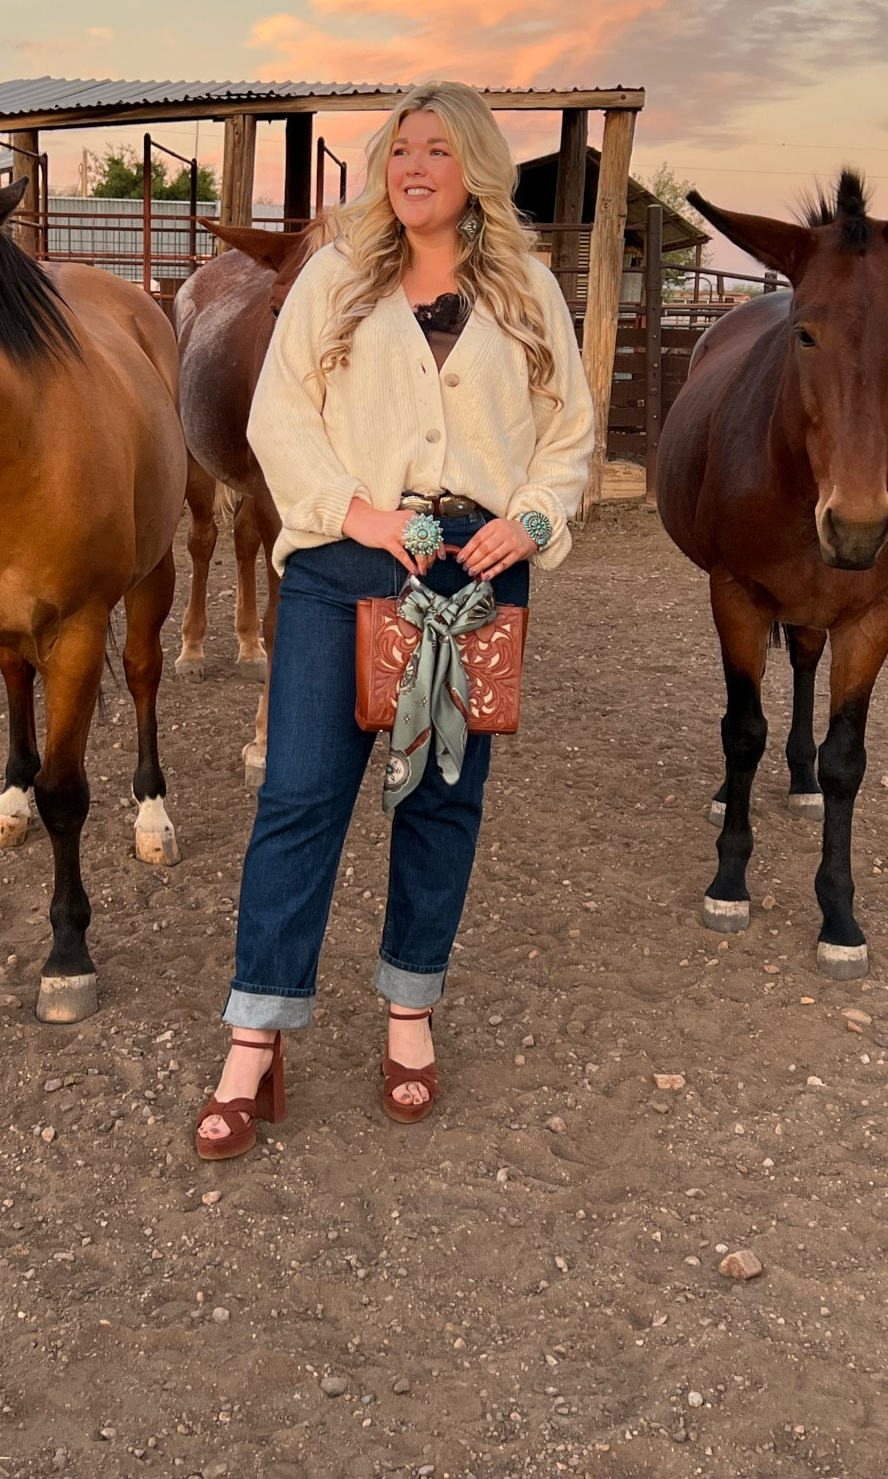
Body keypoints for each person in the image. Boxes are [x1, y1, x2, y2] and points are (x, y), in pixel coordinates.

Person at [196, 80, 595, 1160]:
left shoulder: (526, 291)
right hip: (343, 564)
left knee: (441, 801)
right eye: (398, 151)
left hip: (477, 573)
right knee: (300, 795)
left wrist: (533, 516)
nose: (412, 167)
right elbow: (281, 416)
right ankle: (255, 1036)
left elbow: (569, 430)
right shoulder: (334, 276)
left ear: (474, 168)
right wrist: (357, 514)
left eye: (435, 150)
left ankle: (408, 1015)